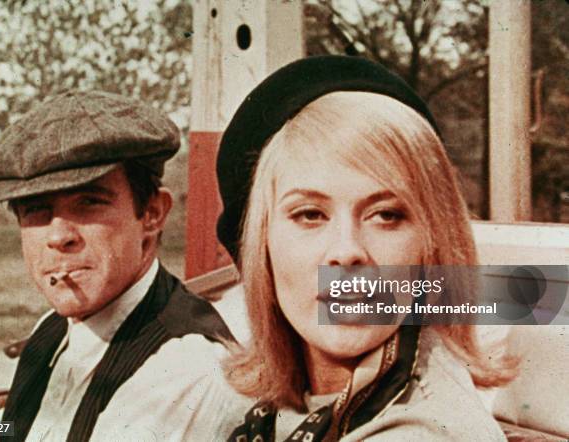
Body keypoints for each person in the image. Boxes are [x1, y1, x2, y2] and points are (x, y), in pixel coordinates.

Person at [214, 56, 517, 441]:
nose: (347, 251)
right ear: (262, 245)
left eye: (386, 216)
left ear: (433, 244)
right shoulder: (284, 405)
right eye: (310, 215)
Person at [0, 90, 242, 441]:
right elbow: (13, 429)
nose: (58, 235)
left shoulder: (186, 371)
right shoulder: (53, 330)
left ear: (151, 214)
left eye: (89, 202)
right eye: (35, 209)